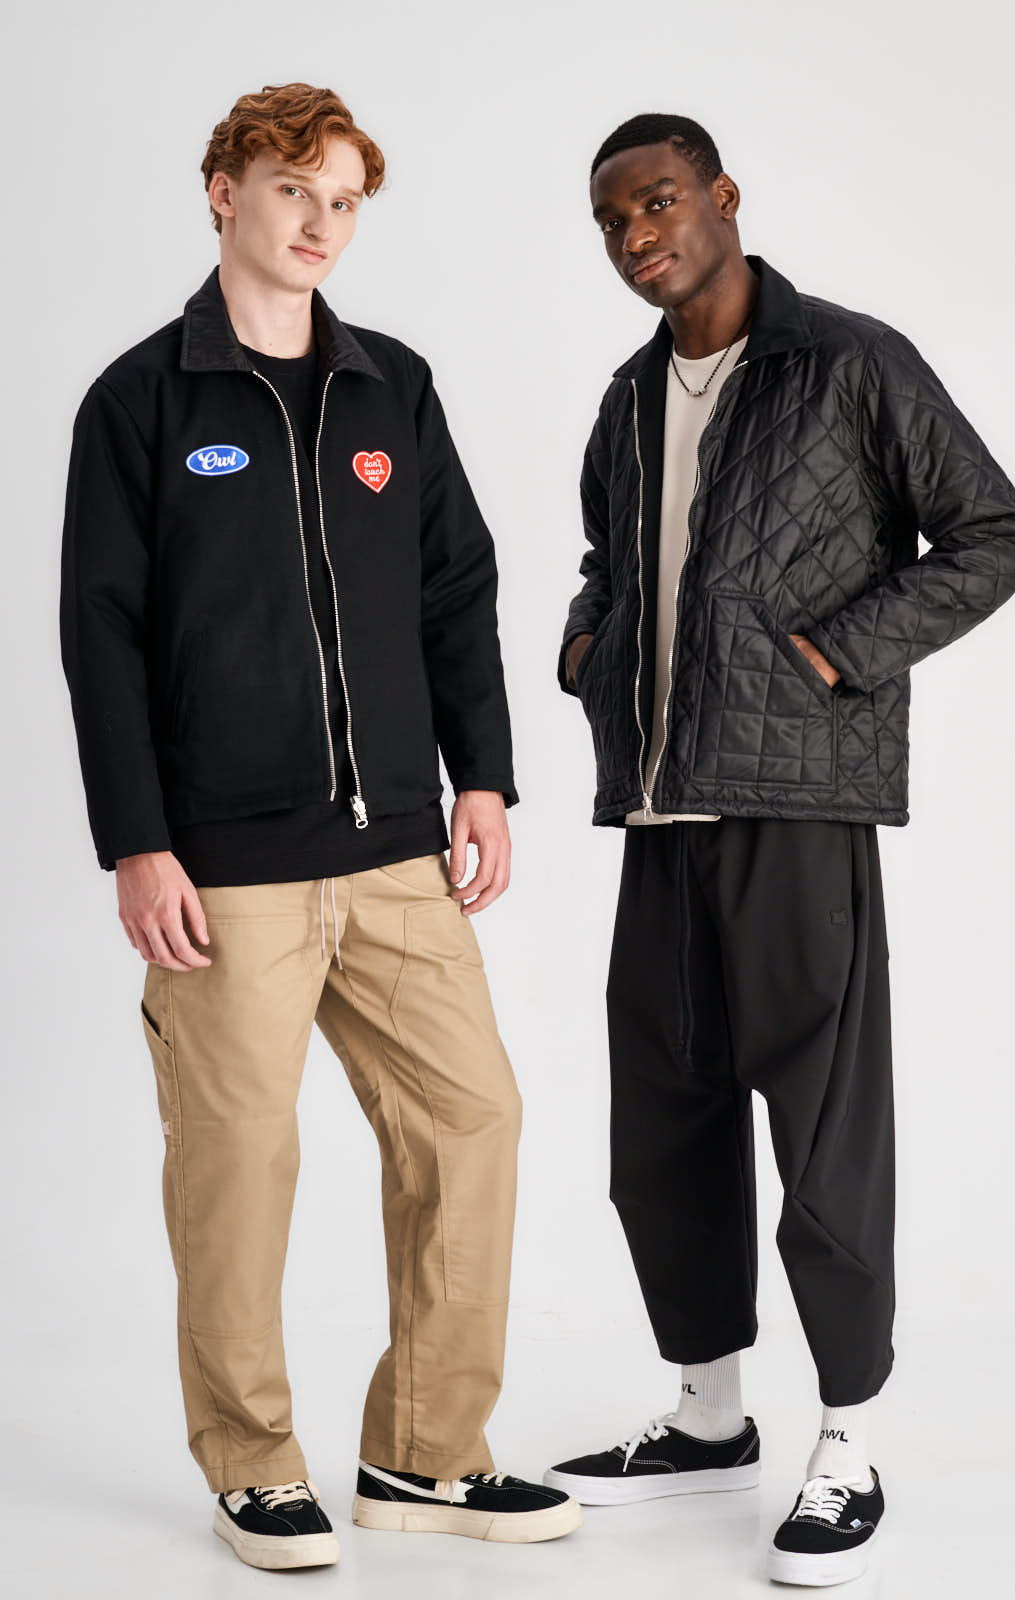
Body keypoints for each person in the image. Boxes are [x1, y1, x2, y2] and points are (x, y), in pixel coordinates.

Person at [60, 81, 580, 1571]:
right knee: (240, 1161)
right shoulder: (142, 401)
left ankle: (425, 1452)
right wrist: (138, 840)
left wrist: (482, 778)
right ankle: (251, 1463)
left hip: (398, 848)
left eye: (345, 200)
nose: (322, 223)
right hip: (227, 866)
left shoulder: (392, 388)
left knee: (474, 1122)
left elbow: (455, 588)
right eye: (295, 189)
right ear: (223, 191)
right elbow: (101, 632)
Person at [545, 112, 1015, 1587]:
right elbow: (610, 559)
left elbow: (994, 534)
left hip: (800, 811)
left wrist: (836, 655)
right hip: (659, 812)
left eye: (659, 202)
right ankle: (708, 1417)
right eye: (613, 220)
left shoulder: (849, 362)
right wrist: (587, 645)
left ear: (724, 197)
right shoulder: (631, 397)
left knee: (823, 1141)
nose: (638, 236)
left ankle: (849, 1439)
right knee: (661, 1133)